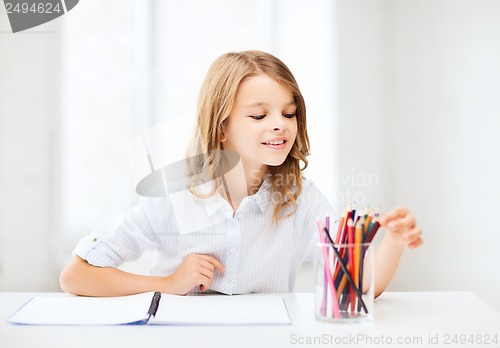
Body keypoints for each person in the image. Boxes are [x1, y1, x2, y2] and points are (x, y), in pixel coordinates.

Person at [60, 50, 423, 298]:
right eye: (259, 115)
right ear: (221, 128)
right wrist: (168, 283)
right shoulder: (175, 198)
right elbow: (76, 275)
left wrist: (393, 240)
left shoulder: (301, 199)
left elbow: (355, 287)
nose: (280, 125)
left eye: (289, 113)